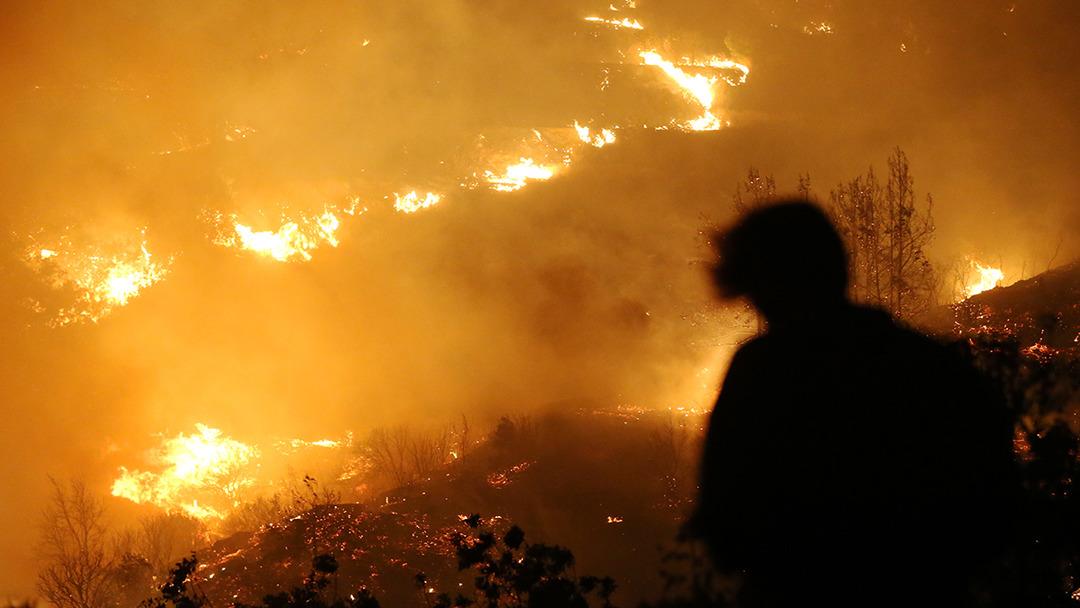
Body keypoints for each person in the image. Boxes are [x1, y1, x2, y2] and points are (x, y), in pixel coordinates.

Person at [691, 200, 1014, 607]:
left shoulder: (763, 372)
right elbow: (995, 510)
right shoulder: (932, 365)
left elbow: (724, 518)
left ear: (764, 285)